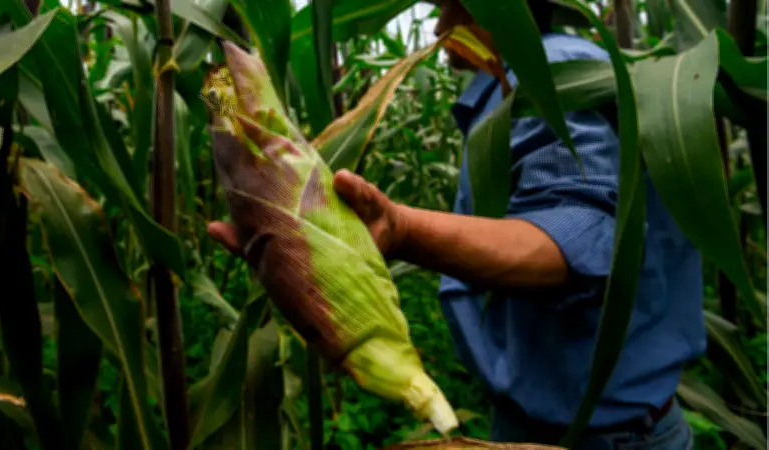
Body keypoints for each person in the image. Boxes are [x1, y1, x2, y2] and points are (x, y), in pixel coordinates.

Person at [208, 0, 706, 448]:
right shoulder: (516, 86)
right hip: (553, 423)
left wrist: (401, 228)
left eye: (446, 8)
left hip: (608, 437)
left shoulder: (553, 74)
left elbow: (577, 240)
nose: (437, 29)